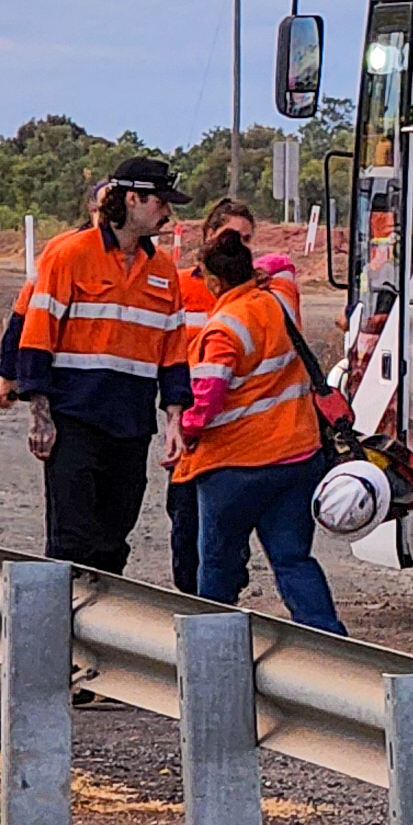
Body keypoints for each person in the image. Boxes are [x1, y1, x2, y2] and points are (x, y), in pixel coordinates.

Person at [15, 155, 187, 571]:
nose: (167, 211)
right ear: (132, 199)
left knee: (113, 540)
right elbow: (37, 337)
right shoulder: (70, 255)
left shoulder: (164, 270)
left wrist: (175, 420)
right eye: (160, 202)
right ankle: (60, 628)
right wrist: (40, 416)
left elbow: (174, 352)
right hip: (76, 418)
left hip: (130, 424)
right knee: (73, 541)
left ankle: (100, 628)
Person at [176, 227, 345, 632]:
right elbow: (284, 264)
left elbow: (205, 402)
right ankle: (332, 646)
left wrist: (181, 430)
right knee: (293, 559)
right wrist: (262, 272)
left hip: (233, 467)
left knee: (216, 568)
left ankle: (211, 650)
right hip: (297, 458)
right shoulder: (280, 300)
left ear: (215, 282)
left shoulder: (222, 330)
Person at [165, 197, 260, 594]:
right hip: (193, 425)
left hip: (238, 433)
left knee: (230, 529)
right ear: (207, 237)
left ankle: (226, 599)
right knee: (185, 520)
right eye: (230, 235)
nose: (238, 243)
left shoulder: (258, 297)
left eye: (246, 238)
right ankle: (190, 601)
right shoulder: (180, 286)